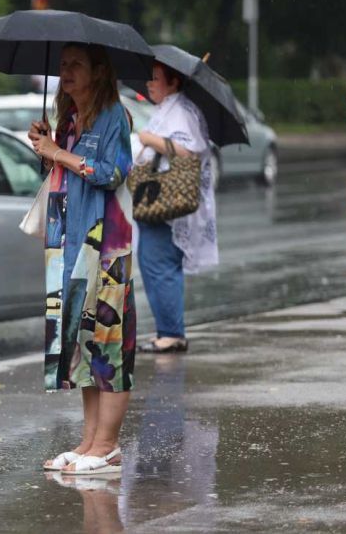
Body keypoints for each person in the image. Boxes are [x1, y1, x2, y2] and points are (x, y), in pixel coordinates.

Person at [28, 42, 136, 476]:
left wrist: (59, 153)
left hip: (106, 246)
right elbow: (65, 175)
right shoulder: (70, 118)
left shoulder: (115, 116)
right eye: (62, 64)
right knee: (82, 346)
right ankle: (89, 440)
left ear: (98, 70)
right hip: (69, 244)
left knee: (109, 345)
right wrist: (48, 144)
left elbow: (113, 173)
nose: (65, 71)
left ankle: (108, 446)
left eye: (75, 64)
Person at [134, 63, 219, 353]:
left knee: (160, 266)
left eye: (155, 78)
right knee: (152, 264)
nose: (149, 83)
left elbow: (189, 151)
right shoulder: (169, 109)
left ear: (173, 82)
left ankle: (171, 333)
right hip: (156, 199)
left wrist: (149, 140)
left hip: (166, 202)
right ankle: (168, 330)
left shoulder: (181, 112)